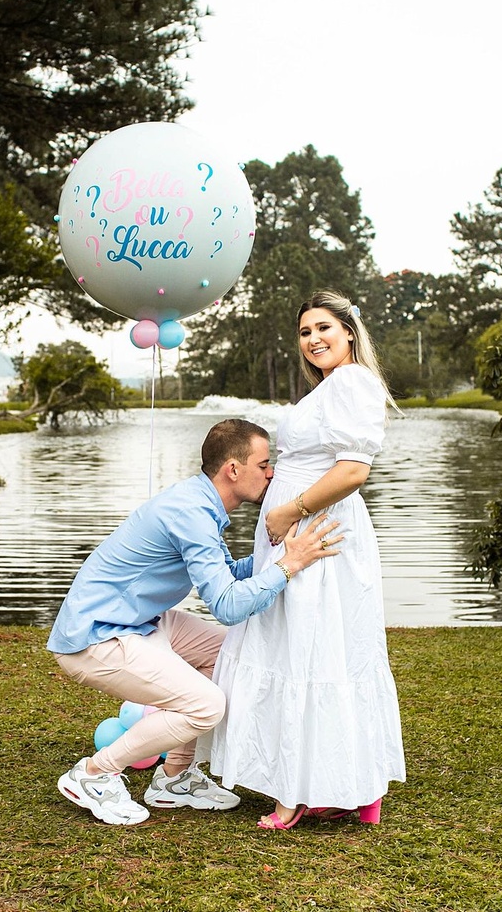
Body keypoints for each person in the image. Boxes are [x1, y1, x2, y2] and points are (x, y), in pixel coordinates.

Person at [48, 418, 343, 826]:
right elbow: (226, 605)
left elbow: (226, 573)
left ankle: (174, 778)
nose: (271, 473)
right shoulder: (192, 512)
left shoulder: (200, 503)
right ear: (233, 470)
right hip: (96, 636)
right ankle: (95, 774)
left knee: (229, 655)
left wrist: (277, 554)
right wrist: (288, 567)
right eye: (263, 464)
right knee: (207, 706)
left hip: (140, 621)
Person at [198, 290, 406, 830]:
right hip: (302, 528)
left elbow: (353, 470)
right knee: (316, 646)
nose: (313, 339)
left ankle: (295, 792)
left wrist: (289, 510)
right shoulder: (331, 386)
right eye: (305, 332)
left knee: (308, 649)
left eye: (323, 328)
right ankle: (350, 788)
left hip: (314, 530)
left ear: (349, 332)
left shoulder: (352, 382)